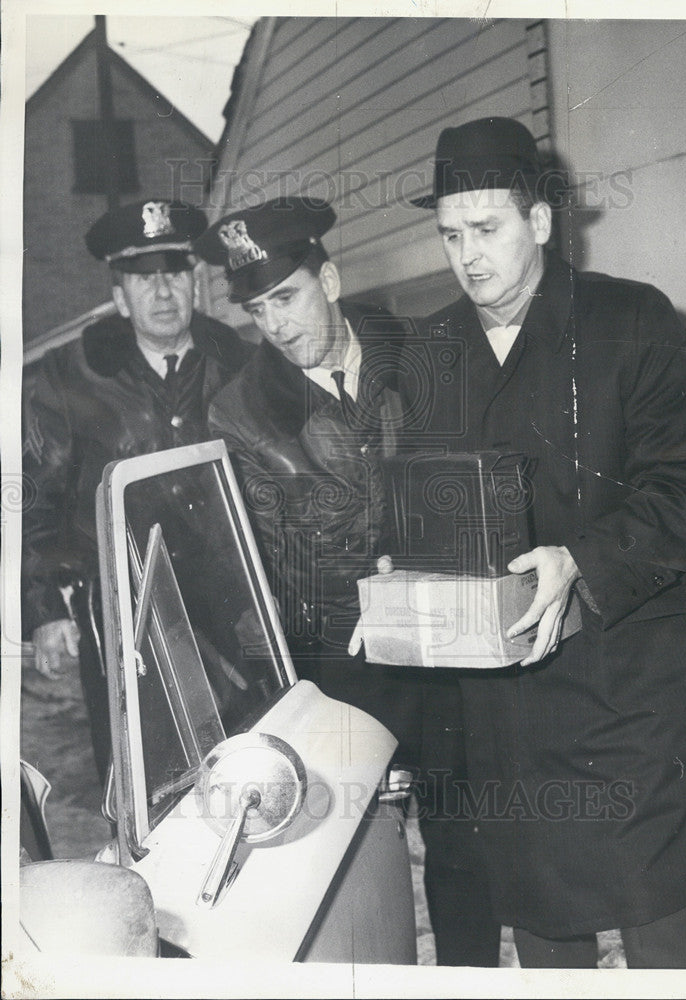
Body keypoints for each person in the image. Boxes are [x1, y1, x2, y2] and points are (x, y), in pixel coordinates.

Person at [403, 116, 686, 968]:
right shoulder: (433, 350)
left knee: (655, 907)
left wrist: (580, 561)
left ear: (542, 223)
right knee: (540, 905)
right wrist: (403, 565)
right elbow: (423, 498)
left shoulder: (634, 320)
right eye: (450, 235)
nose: (467, 256)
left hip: (639, 682)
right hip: (514, 690)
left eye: (486, 230)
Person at [200, 198, 499, 966]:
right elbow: (269, 555)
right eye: (258, 308)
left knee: (461, 836)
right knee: (355, 851)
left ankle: (465, 976)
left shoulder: (424, 348)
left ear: (327, 278)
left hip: (446, 636)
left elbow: (474, 473)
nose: (277, 323)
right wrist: (369, 585)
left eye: (288, 296)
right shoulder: (239, 411)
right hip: (340, 655)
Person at [22, 198, 252, 783]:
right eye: (143, 279)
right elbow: (34, 497)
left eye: (175, 273)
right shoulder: (69, 378)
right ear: (120, 296)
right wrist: (46, 608)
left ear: (196, 283)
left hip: (236, 595)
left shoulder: (238, 362)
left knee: (247, 750)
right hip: (127, 601)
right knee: (142, 764)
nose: (163, 291)